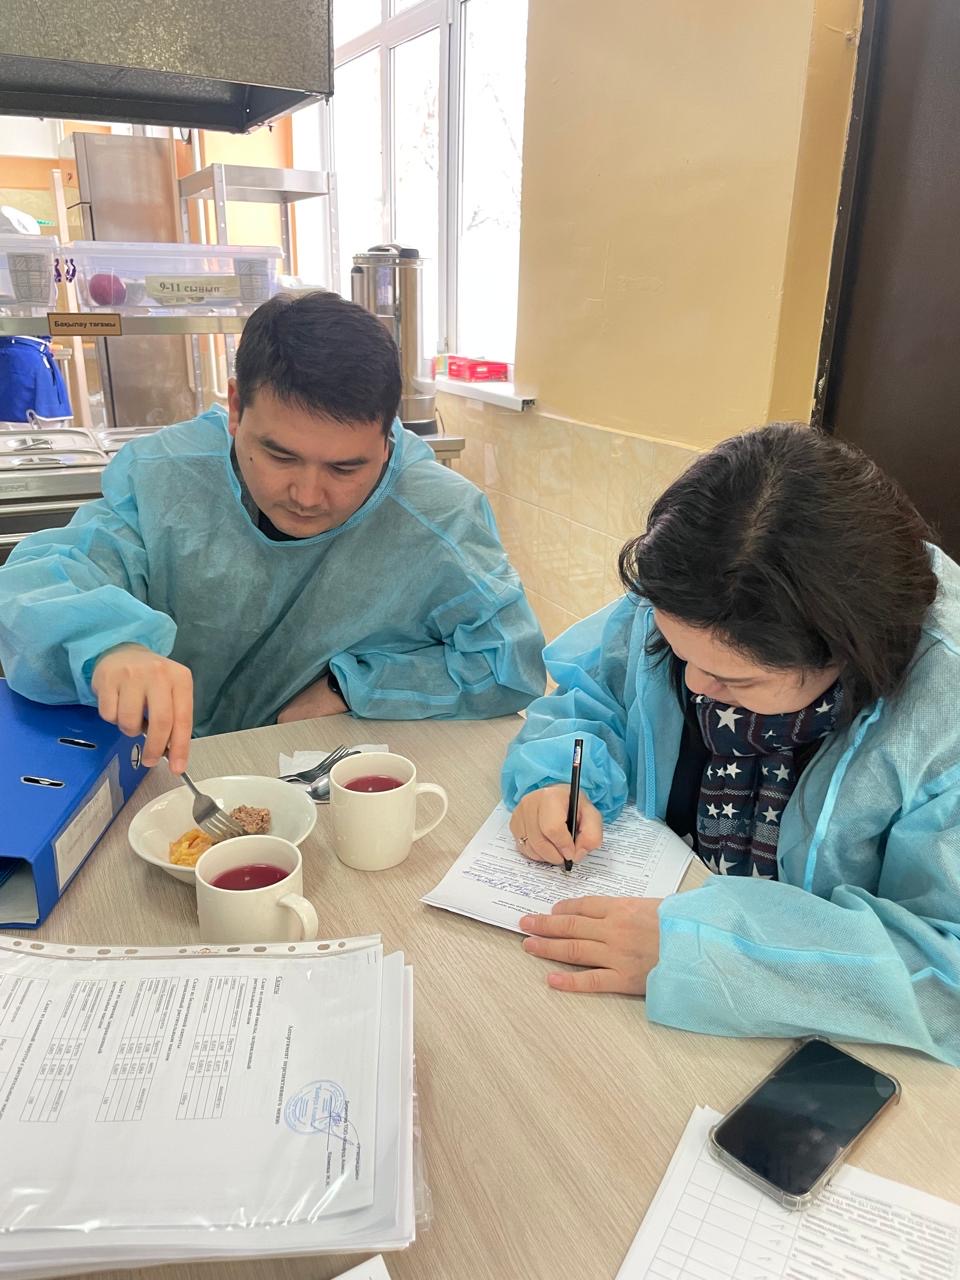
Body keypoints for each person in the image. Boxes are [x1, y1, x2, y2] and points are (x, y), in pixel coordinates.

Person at [502, 424, 960, 1066]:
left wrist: (707, 950)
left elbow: (944, 972)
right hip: (639, 992)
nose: (694, 685)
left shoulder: (944, 714)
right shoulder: (694, 598)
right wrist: (558, 777)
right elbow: (593, 695)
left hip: (804, 1043)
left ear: (847, 653)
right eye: (675, 651)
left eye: (735, 682)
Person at [0, 291, 546, 772]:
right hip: (160, 770)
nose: (307, 496)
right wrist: (109, 645)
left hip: (320, 773)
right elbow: (35, 587)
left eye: (346, 468)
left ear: (386, 441)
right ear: (237, 408)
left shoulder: (437, 515)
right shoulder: (167, 475)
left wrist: (355, 684)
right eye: (280, 456)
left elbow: (509, 665)